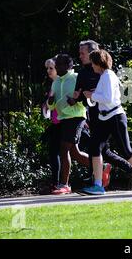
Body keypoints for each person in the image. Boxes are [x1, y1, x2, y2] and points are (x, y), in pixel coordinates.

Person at [82, 50, 132, 196]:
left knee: (126, 151)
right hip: (105, 118)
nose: (92, 66)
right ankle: (97, 185)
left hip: (115, 117)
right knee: (95, 147)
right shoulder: (104, 76)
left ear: (98, 63)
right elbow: (105, 96)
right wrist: (94, 95)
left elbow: (108, 98)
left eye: (93, 63)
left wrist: (92, 95)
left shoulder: (108, 76)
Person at [69, 40, 132, 190]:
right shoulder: (82, 73)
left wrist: (94, 94)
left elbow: (111, 95)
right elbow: (81, 96)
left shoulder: (105, 73)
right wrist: (75, 99)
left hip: (109, 114)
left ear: (93, 53)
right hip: (94, 115)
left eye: (83, 53)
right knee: (99, 149)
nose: (80, 56)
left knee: (105, 149)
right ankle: (100, 180)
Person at [47, 54, 91, 195]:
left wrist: (76, 101)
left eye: (59, 64)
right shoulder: (56, 82)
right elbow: (52, 106)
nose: (56, 67)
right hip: (63, 118)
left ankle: (64, 185)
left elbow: (85, 94)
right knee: (75, 153)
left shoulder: (76, 77)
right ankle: (101, 167)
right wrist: (51, 101)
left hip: (76, 117)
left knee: (64, 149)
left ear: (68, 66)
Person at [41, 57, 61, 193]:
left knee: (56, 153)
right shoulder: (54, 84)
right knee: (69, 154)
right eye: (47, 68)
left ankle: (58, 183)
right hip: (56, 122)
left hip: (63, 122)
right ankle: (57, 183)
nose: (48, 71)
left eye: (51, 68)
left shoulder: (60, 83)